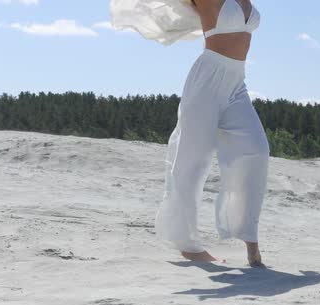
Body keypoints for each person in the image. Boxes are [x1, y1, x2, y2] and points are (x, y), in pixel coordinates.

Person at [110, 0, 269, 267]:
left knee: (256, 150)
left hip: (236, 83)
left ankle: (250, 239)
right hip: (206, 80)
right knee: (191, 162)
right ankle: (188, 244)